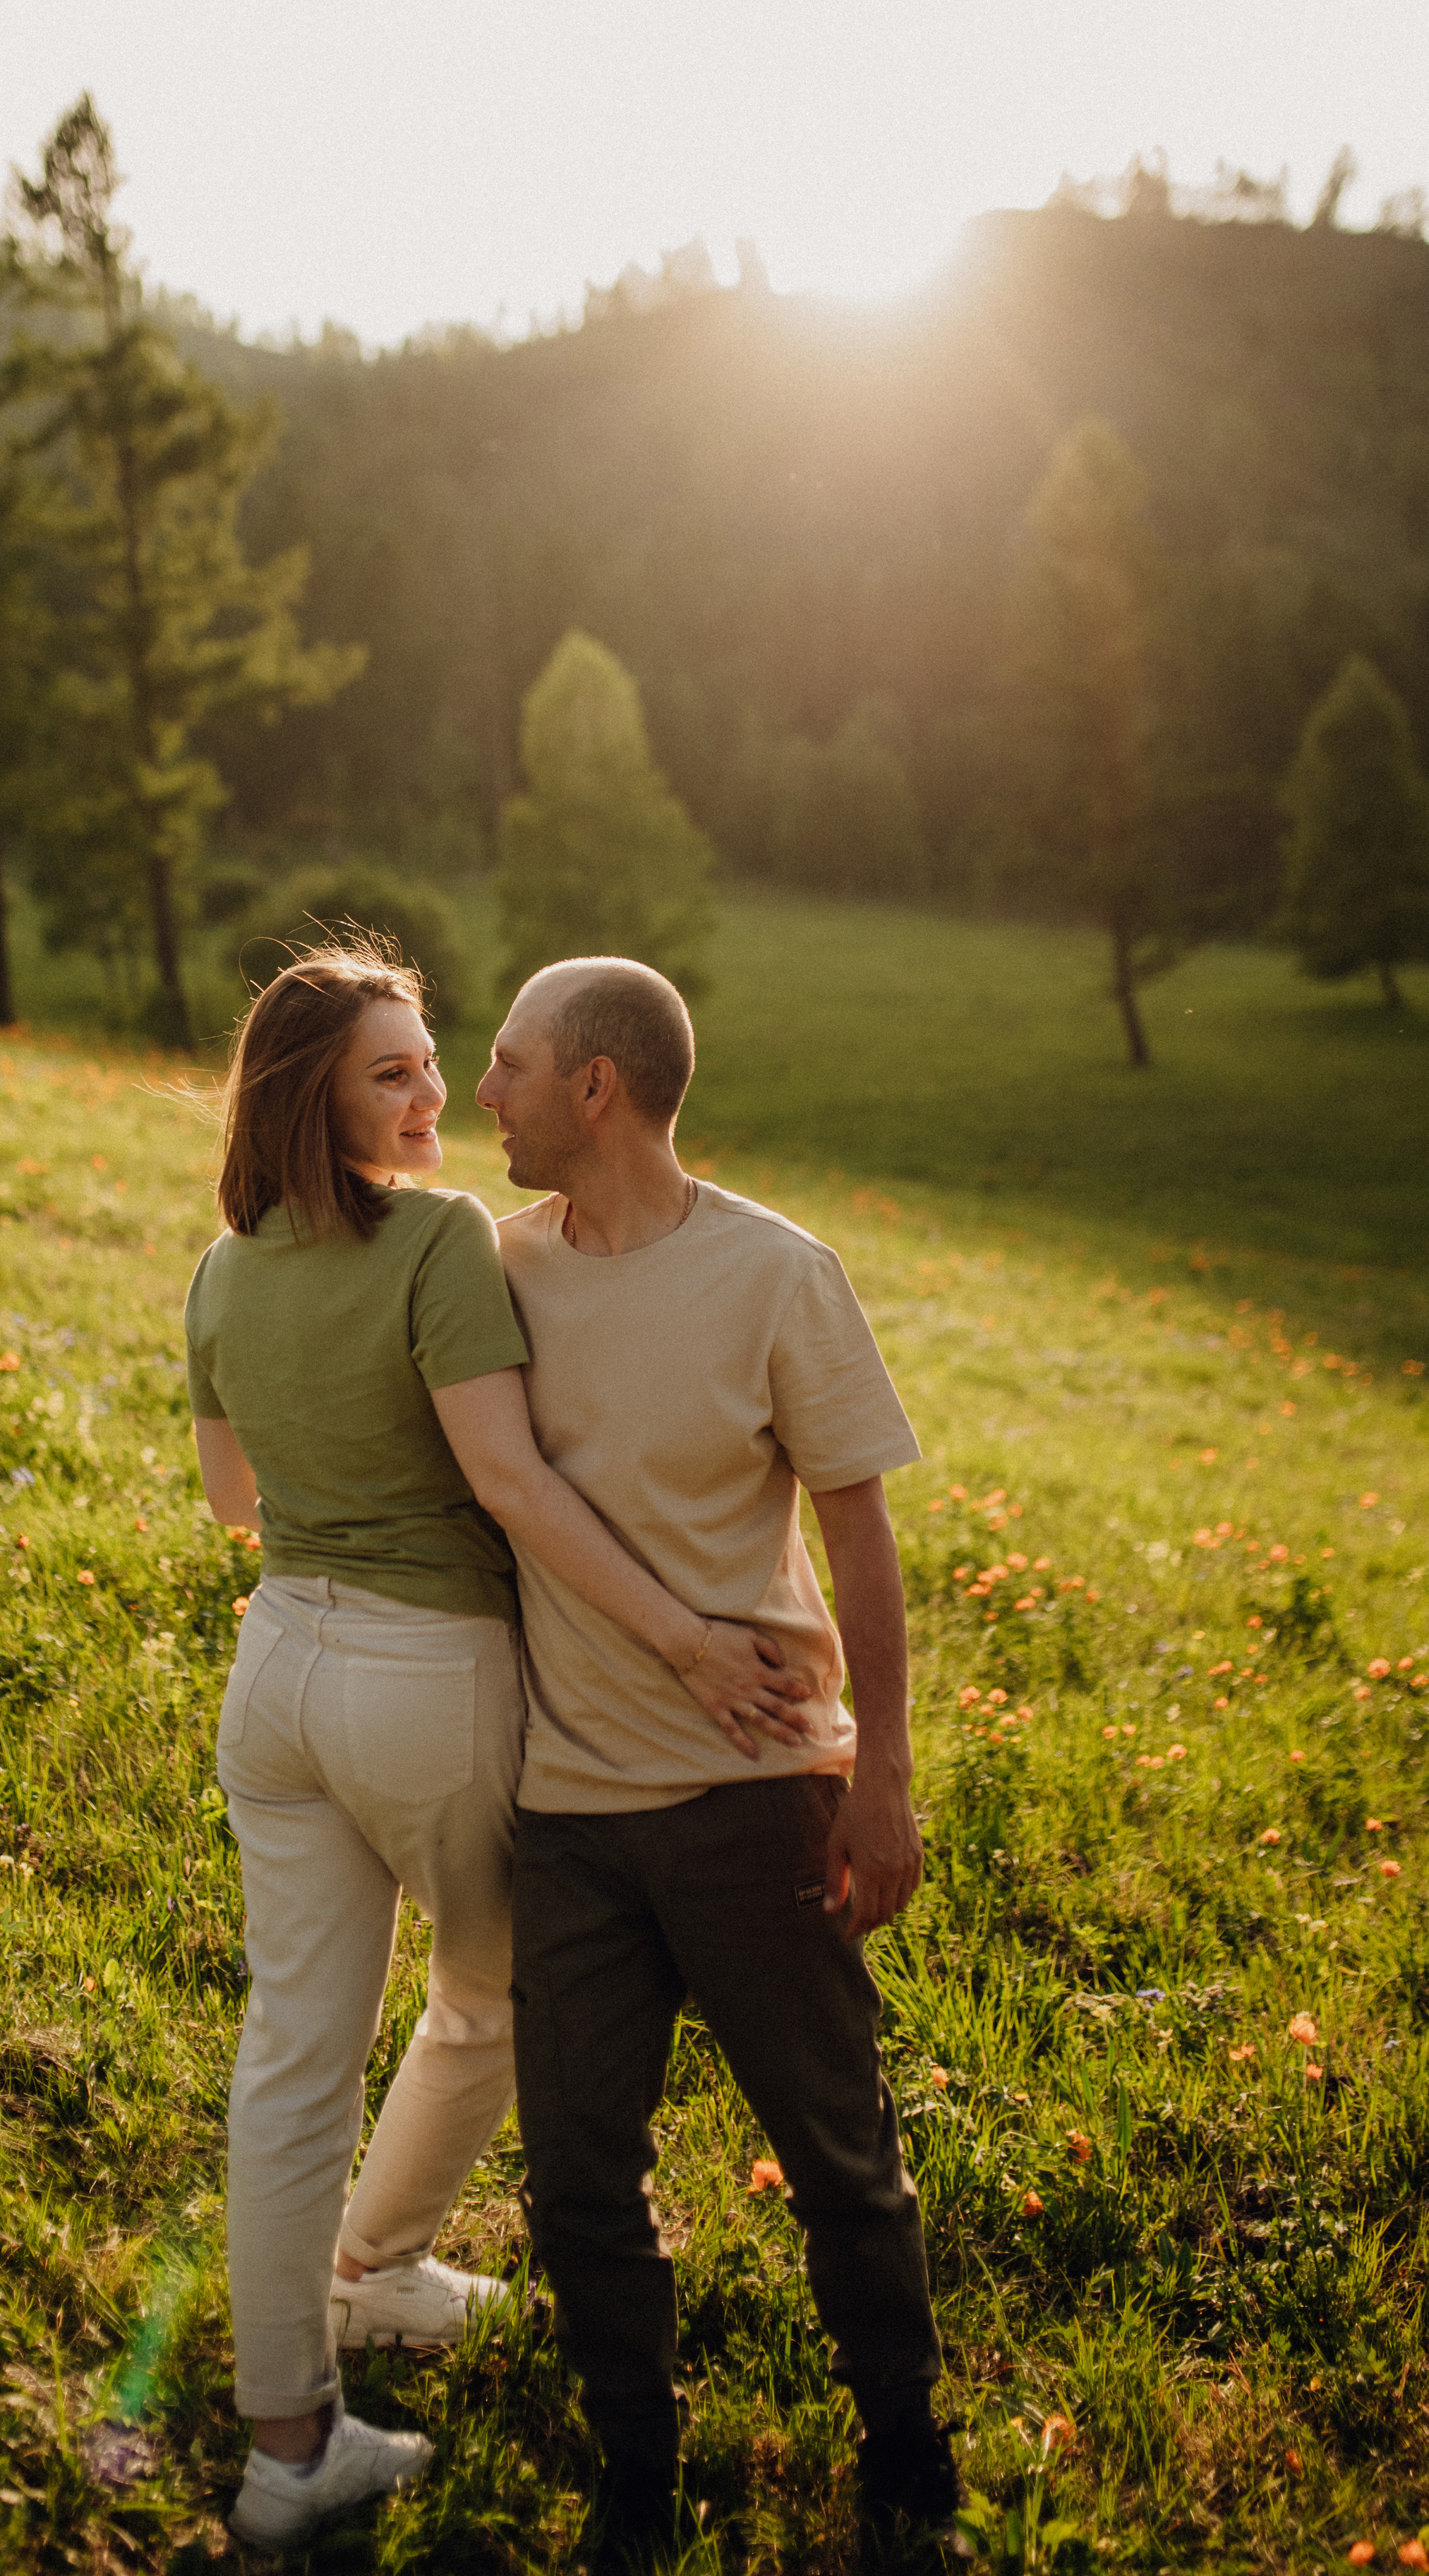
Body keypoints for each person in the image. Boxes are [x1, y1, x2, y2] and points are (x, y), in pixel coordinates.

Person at [186, 943, 806, 2553]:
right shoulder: (441, 1238)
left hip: (275, 1674)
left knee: (289, 2060)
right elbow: (514, 1486)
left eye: (432, 1058)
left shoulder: (224, 1266)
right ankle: (379, 2267)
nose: (433, 1090)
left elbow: (232, 1505)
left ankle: (284, 2448)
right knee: (498, 1987)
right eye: (391, 1070)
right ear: (312, 1094)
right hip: (424, 1673)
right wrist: (685, 1641)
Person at [475, 956, 959, 2566]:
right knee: (575, 2180)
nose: (485, 1095)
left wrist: (877, 1777)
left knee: (835, 2154)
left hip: (756, 1800)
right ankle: (635, 2469)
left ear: (592, 1087)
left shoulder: (776, 1274)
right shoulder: (494, 1272)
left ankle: (905, 2447)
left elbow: (858, 1531)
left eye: (508, 1066)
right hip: (567, 1816)